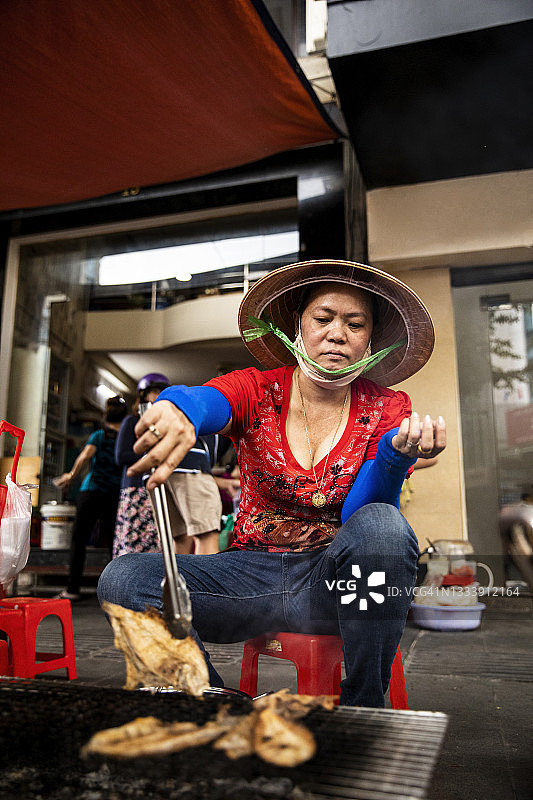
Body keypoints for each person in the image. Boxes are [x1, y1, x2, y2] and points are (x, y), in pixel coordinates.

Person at [98, 259, 446, 706]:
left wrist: (395, 458)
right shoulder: (258, 389)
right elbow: (207, 400)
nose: (337, 333)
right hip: (246, 579)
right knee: (124, 578)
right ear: (298, 328)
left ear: (369, 341)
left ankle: (364, 710)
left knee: (383, 524)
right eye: (323, 319)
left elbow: (360, 512)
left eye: (354, 324)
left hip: (333, 586)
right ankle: (212, 701)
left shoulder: (387, 407)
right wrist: (179, 408)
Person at [55, 395, 127, 601]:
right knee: (113, 543)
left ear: (106, 416)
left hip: (92, 490)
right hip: (114, 494)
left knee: (79, 540)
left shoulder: (99, 435)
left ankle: (72, 589)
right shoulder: (127, 439)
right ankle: (114, 592)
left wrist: (70, 476)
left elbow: (85, 456)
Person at [113, 374, 171, 558]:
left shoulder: (166, 423)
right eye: (153, 392)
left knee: (159, 544)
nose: (157, 396)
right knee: (132, 544)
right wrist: (153, 457)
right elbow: (121, 456)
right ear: (143, 395)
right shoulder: (132, 421)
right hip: (136, 489)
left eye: (161, 392)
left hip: (158, 488)